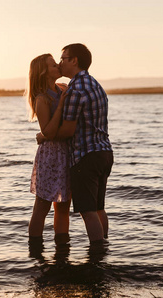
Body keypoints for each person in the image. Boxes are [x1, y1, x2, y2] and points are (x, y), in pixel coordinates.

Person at [39, 43, 113, 243]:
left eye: (63, 59)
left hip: (85, 157)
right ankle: (104, 248)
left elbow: (67, 131)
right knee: (99, 208)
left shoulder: (75, 90)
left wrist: (44, 136)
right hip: (104, 152)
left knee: (88, 211)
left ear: (74, 60)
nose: (60, 63)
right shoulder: (94, 83)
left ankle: (97, 254)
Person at [26, 53, 71, 246]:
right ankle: (35, 249)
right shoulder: (42, 99)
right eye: (53, 65)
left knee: (63, 206)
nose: (58, 66)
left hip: (66, 153)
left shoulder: (63, 88)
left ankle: (62, 248)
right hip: (51, 156)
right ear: (44, 73)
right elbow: (49, 132)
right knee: (42, 206)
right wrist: (61, 105)